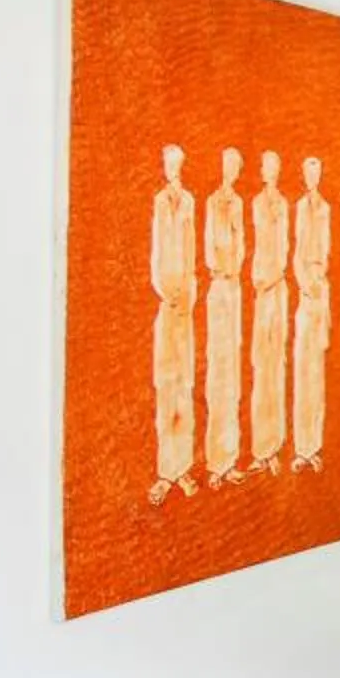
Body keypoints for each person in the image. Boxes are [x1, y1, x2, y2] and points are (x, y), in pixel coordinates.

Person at [147, 145, 197, 504]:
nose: (171, 169)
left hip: (186, 306)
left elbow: (192, 251)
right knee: (167, 385)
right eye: (167, 164)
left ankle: (184, 469)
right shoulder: (160, 202)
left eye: (176, 164)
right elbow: (155, 254)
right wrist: (167, 292)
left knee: (185, 384)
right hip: (168, 302)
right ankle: (166, 473)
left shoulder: (190, 202)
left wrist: (189, 294)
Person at [200, 149, 246, 485]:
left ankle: (229, 459)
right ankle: (214, 462)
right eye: (226, 164)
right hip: (218, 286)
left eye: (235, 166)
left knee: (232, 371)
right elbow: (207, 247)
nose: (230, 170)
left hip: (234, 287)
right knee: (217, 369)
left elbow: (241, 243)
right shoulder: (211, 201)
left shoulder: (240, 203)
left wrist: (235, 269)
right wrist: (221, 269)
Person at [249, 151, 290, 474]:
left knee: (276, 364)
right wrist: (258, 279)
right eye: (265, 167)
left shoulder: (284, 205)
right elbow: (255, 244)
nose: (267, 171)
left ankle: (274, 446)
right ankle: (260, 448)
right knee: (261, 365)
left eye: (271, 167)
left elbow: (285, 248)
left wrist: (273, 278)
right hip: (261, 289)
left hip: (276, 289)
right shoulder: (256, 203)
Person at [292, 155, 332, 472]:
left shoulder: (324, 209)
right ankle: (300, 445)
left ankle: (313, 445)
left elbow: (326, 252)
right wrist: (306, 284)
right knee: (303, 367)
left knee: (316, 371)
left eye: (316, 173)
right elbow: (296, 252)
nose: (311, 178)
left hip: (320, 291)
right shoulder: (300, 208)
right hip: (306, 291)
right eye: (308, 173)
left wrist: (319, 283)